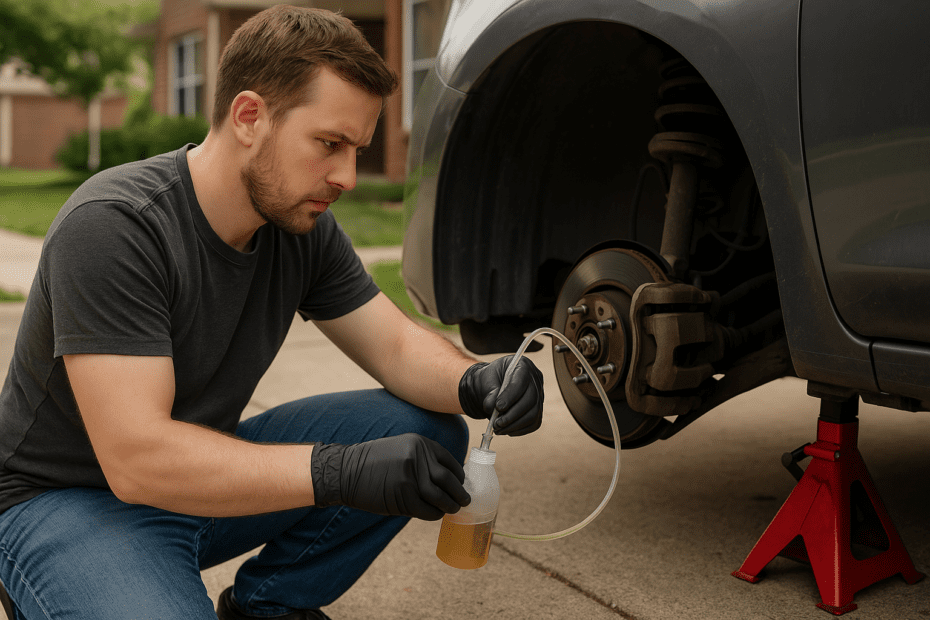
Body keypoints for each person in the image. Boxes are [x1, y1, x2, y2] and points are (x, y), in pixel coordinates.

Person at [0, 6, 544, 619]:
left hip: (195, 481)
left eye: (358, 149)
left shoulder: (297, 225)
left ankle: (270, 607)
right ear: (249, 117)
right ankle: (54, 586)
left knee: (427, 431)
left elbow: (394, 346)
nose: (348, 177)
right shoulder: (115, 226)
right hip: (66, 500)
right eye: (330, 144)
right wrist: (337, 472)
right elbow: (137, 459)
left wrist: (475, 380)